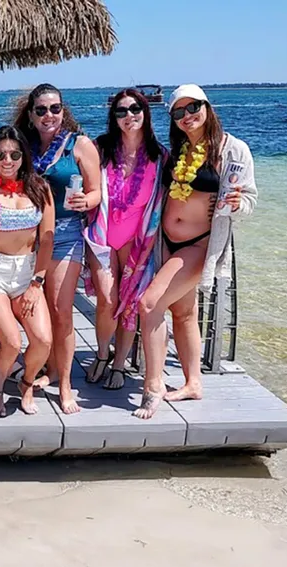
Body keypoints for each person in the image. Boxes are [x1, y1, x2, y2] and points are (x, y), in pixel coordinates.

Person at [134, 84, 257, 419]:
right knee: (184, 313)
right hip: (166, 241)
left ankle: (154, 383)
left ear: (207, 107)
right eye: (178, 112)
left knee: (149, 303)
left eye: (193, 108)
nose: (187, 116)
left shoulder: (233, 150)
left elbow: (249, 199)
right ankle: (193, 383)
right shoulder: (176, 151)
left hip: (198, 244)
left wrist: (236, 203)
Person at [13, 84, 101, 414]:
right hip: (25, 237)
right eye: (41, 109)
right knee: (34, 310)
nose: (48, 115)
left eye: (55, 108)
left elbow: (96, 193)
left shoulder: (79, 145)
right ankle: (43, 370)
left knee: (61, 310)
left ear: (63, 111)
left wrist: (85, 201)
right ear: (31, 114)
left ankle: (65, 384)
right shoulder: (22, 144)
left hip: (65, 235)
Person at [0, 126, 55, 418]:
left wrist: (37, 282)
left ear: (23, 156)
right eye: (1, 154)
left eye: (14, 154)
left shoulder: (40, 189)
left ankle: (26, 383)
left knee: (42, 340)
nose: (8, 160)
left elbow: (48, 239)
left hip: (26, 273)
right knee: (12, 341)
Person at [83, 89, 167, 390]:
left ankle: (120, 364)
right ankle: (103, 354)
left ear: (145, 112)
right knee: (107, 299)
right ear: (113, 117)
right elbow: (79, 177)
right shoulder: (101, 149)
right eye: (121, 111)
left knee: (130, 303)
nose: (128, 116)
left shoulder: (160, 156)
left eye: (135, 109)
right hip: (102, 237)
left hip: (138, 242)